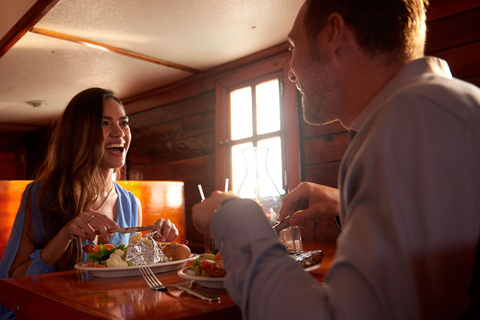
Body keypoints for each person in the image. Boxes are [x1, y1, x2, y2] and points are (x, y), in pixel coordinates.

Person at [192, 0, 480, 319]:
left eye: (292, 46)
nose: (290, 71)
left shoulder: (410, 121)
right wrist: (346, 203)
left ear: (333, 34)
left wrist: (231, 214)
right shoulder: (435, 111)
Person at [0, 88, 178, 319]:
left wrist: (156, 244)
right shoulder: (41, 195)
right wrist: (64, 235)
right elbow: (13, 283)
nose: (119, 132)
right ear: (79, 134)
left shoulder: (131, 203)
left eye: (123, 123)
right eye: (105, 123)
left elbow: (132, 276)